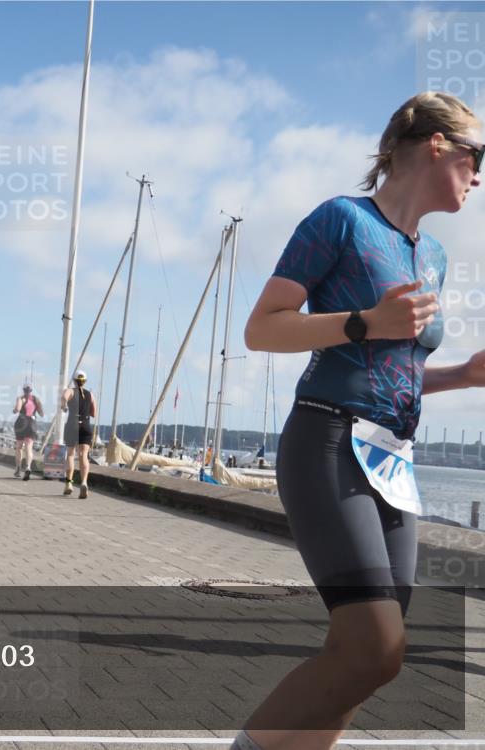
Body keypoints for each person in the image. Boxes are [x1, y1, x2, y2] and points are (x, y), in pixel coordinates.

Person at [235, 92, 483, 750]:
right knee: (376, 646)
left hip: (392, 462)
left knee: (364, 656)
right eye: (476, 155)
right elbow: (262, 329)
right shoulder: (342, 221)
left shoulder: (431, 257)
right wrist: (363, 322)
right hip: (326, 441)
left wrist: (463, 375)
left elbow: (391, 371)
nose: (480, 173)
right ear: (436, 144)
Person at [61, 370, 97, 498]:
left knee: (70, 454)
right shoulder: (90, 395)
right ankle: (84, 482)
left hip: (72, 424)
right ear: (85, 381)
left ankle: (69, 483)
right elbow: (94, 413)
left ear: (74, 380)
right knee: (83, 455)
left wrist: (64, 406)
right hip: (86, 425)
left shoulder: (70, 391)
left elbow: (64, 399)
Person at [12, 384, 43, 479]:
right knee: (29, 447)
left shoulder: (21, 398)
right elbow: (41, 414)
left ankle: (18, 468)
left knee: (19, 447)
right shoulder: (36, 399)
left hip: (21, 423)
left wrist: (14, 410)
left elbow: (17, 409)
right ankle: (28, 467)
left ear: (23, 390)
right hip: (32, 424)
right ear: (31, 390)